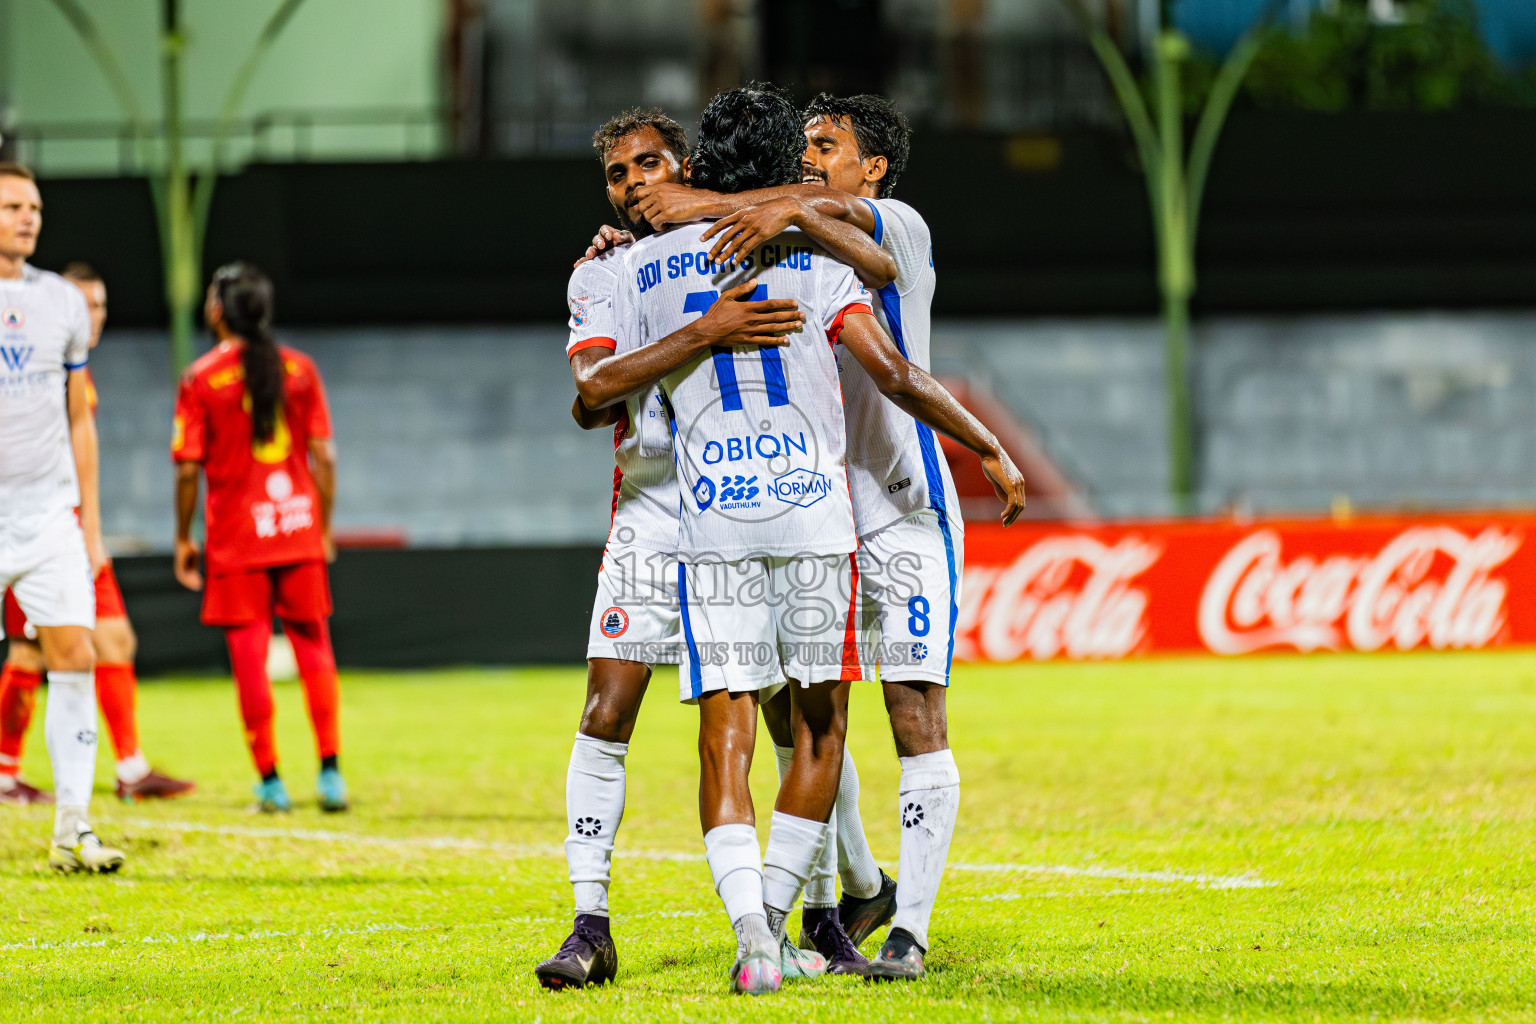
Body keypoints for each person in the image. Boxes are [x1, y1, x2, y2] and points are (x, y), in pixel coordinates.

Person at [628, 92, 1027, 979]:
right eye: (800, 147)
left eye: (829, 147)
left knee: (912, 712)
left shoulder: (896, 226)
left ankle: (909, 934)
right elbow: (776, 220)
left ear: (873, 168)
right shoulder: (792, 232)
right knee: (804, 705)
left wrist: (698, 205)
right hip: (815, 503)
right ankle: (840, 887)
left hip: (907, 499)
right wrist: (651, 236)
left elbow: (850, 248)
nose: (810, 161)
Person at [536, 107, 821, 991]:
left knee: (792, 710)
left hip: (750, 501)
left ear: (683, 164)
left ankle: (805, 917)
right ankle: (590, 925)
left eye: (648, 164)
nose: (633, 184)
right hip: (654, 510)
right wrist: (702, 333)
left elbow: (822, 202)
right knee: (606, 711)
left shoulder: (749, 232)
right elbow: (590, 397)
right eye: (619, 175)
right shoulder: (602, 274)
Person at [0, 262, 195, 804]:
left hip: (71, 529)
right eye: (86, 305)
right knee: (29, 653)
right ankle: (7, 773)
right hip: (37, 528)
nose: (95, 316)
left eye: (102, 305)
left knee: (111, 641)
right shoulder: (41, 374)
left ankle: (129, 768)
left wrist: (91, 528)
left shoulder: (76, 375)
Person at [171, 262, 345, 814]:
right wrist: (323, 526)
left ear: (218, 310)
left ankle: (271, 781)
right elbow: (325, 457)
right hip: (295, 528)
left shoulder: (201, 379)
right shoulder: (300, 368)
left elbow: (185, 469)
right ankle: (330, 774)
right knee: (314, 649)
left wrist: (181, 537)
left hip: (236, 540)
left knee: (249, 659)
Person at [0, 162, 125, 871]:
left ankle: (72, 828)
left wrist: (91, 524)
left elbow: (80, 419)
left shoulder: (62, 303)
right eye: (13, 206)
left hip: (48, 515)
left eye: (35, 207)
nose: (28, 218)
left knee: (75, 658)